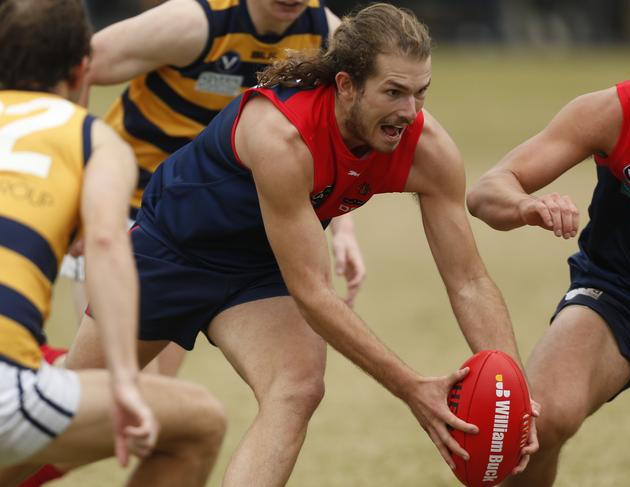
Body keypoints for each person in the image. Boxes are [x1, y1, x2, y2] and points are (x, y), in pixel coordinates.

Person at [64, 3, 538, 486]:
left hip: (262, 268)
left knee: (297, 389)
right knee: (68, 415)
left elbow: (470, 281)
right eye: (393, 92)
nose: (409, 113)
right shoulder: (282, 133)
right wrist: (412, 388)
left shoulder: (428, 150)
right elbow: (313, 293)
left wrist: (516, 395)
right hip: (172, 251)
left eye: (420, 93)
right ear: (346, 86)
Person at [61, 0, 366, 377]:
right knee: (110, 385)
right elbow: (79, 65)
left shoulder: (325, 36)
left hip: (197, 228)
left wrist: (344, 229)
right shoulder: (196, 22)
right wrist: (78, 187)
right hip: (126, 206)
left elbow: (344, 129)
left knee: (154, 389)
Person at [0, 1, 226, 486]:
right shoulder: (92, 140)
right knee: (198, 423)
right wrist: (124, 378)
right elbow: (106, 241)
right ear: (83, 69)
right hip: (6, 386)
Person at [466, 76, 630, 486]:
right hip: (616, 295)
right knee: (536, 424)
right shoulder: (614, 112)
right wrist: (524, 204)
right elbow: (486, 191)